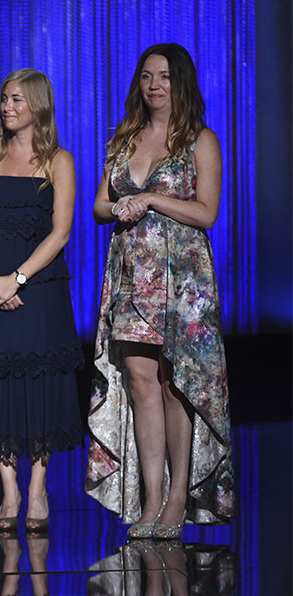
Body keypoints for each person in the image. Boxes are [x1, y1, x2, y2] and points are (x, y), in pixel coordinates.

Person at [85, 44, 235, 538]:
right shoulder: (124, 139)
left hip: (182, 280)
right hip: (131, 275)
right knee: (141, 381)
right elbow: (99, 207)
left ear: (181, 82)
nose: (154, 85)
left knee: (175, 385)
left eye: (164, 77)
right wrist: (122, 208)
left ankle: (176, 501)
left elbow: (207, 212)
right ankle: (149, 500)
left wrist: (150, 198)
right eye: (147, 77)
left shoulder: (200, 141)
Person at [0, 69, 84, 534]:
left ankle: (37, 488)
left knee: (41, 384)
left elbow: (61, 231)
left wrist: (18, 279)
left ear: (38, 105)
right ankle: (9, 489)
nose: (7, 107)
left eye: (17, 99)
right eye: (4, 98)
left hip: (39, 287)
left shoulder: (58, 161)